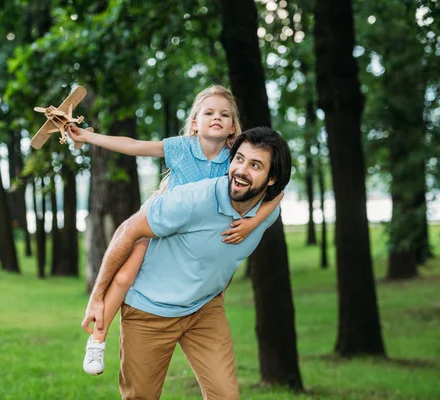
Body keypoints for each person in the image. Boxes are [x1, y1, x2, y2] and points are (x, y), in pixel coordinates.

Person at [67, 86, 283, 375]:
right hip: (162, 221)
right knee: (126, 276)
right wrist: (88, 136)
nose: (216, 118)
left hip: (194, 236)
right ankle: (98, 338)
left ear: (233, 127)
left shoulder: (236, 158)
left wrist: (253, 222)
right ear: (195, 122)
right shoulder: (181, 147)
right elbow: (133, 145)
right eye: (208, 113)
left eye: (224, 114)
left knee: (217, 267)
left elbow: (277, 191)